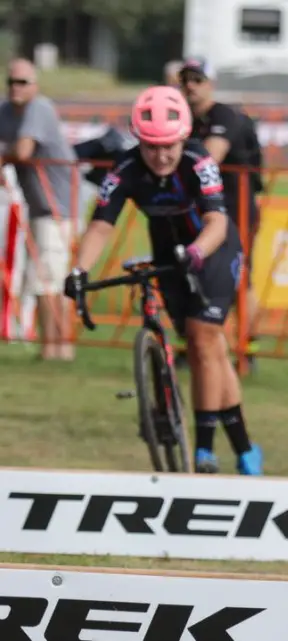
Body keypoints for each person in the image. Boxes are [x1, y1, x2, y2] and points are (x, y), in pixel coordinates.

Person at [63, 86, 263, 476]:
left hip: (212, 246)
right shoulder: (124, 169)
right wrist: (78, 270)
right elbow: (102, 226)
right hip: (166, 248)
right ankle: (244, 445)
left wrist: (197, 253)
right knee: (210, 349)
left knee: (203, 335)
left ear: (183, 138)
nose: (161, 155)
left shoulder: (197, 159)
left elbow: (217, 221)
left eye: (169, 145)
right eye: (151, 146)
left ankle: (204, 449)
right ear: (138, 141)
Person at [179, 57, 265, 368]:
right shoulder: (187, 119)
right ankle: (199, 345)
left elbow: (210, 158)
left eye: (197, 79)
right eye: (185, 78)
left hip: (236, 207)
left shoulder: (223, 115)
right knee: (196, 273)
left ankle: (247, 347)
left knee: (240, 277)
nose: (190, 85)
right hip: (205, 210)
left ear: (211, 83)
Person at [0, 58, 79, 361]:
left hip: (58, 205)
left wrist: (5, 155)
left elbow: (22, 151)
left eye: (22, 82)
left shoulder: (39, 108)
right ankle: (58, 348)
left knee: (48, 280)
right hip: (38, 204)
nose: (15, 88)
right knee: (46, 279)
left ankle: (56, 349)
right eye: (11, 82)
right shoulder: (6, 111)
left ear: (35, 85)